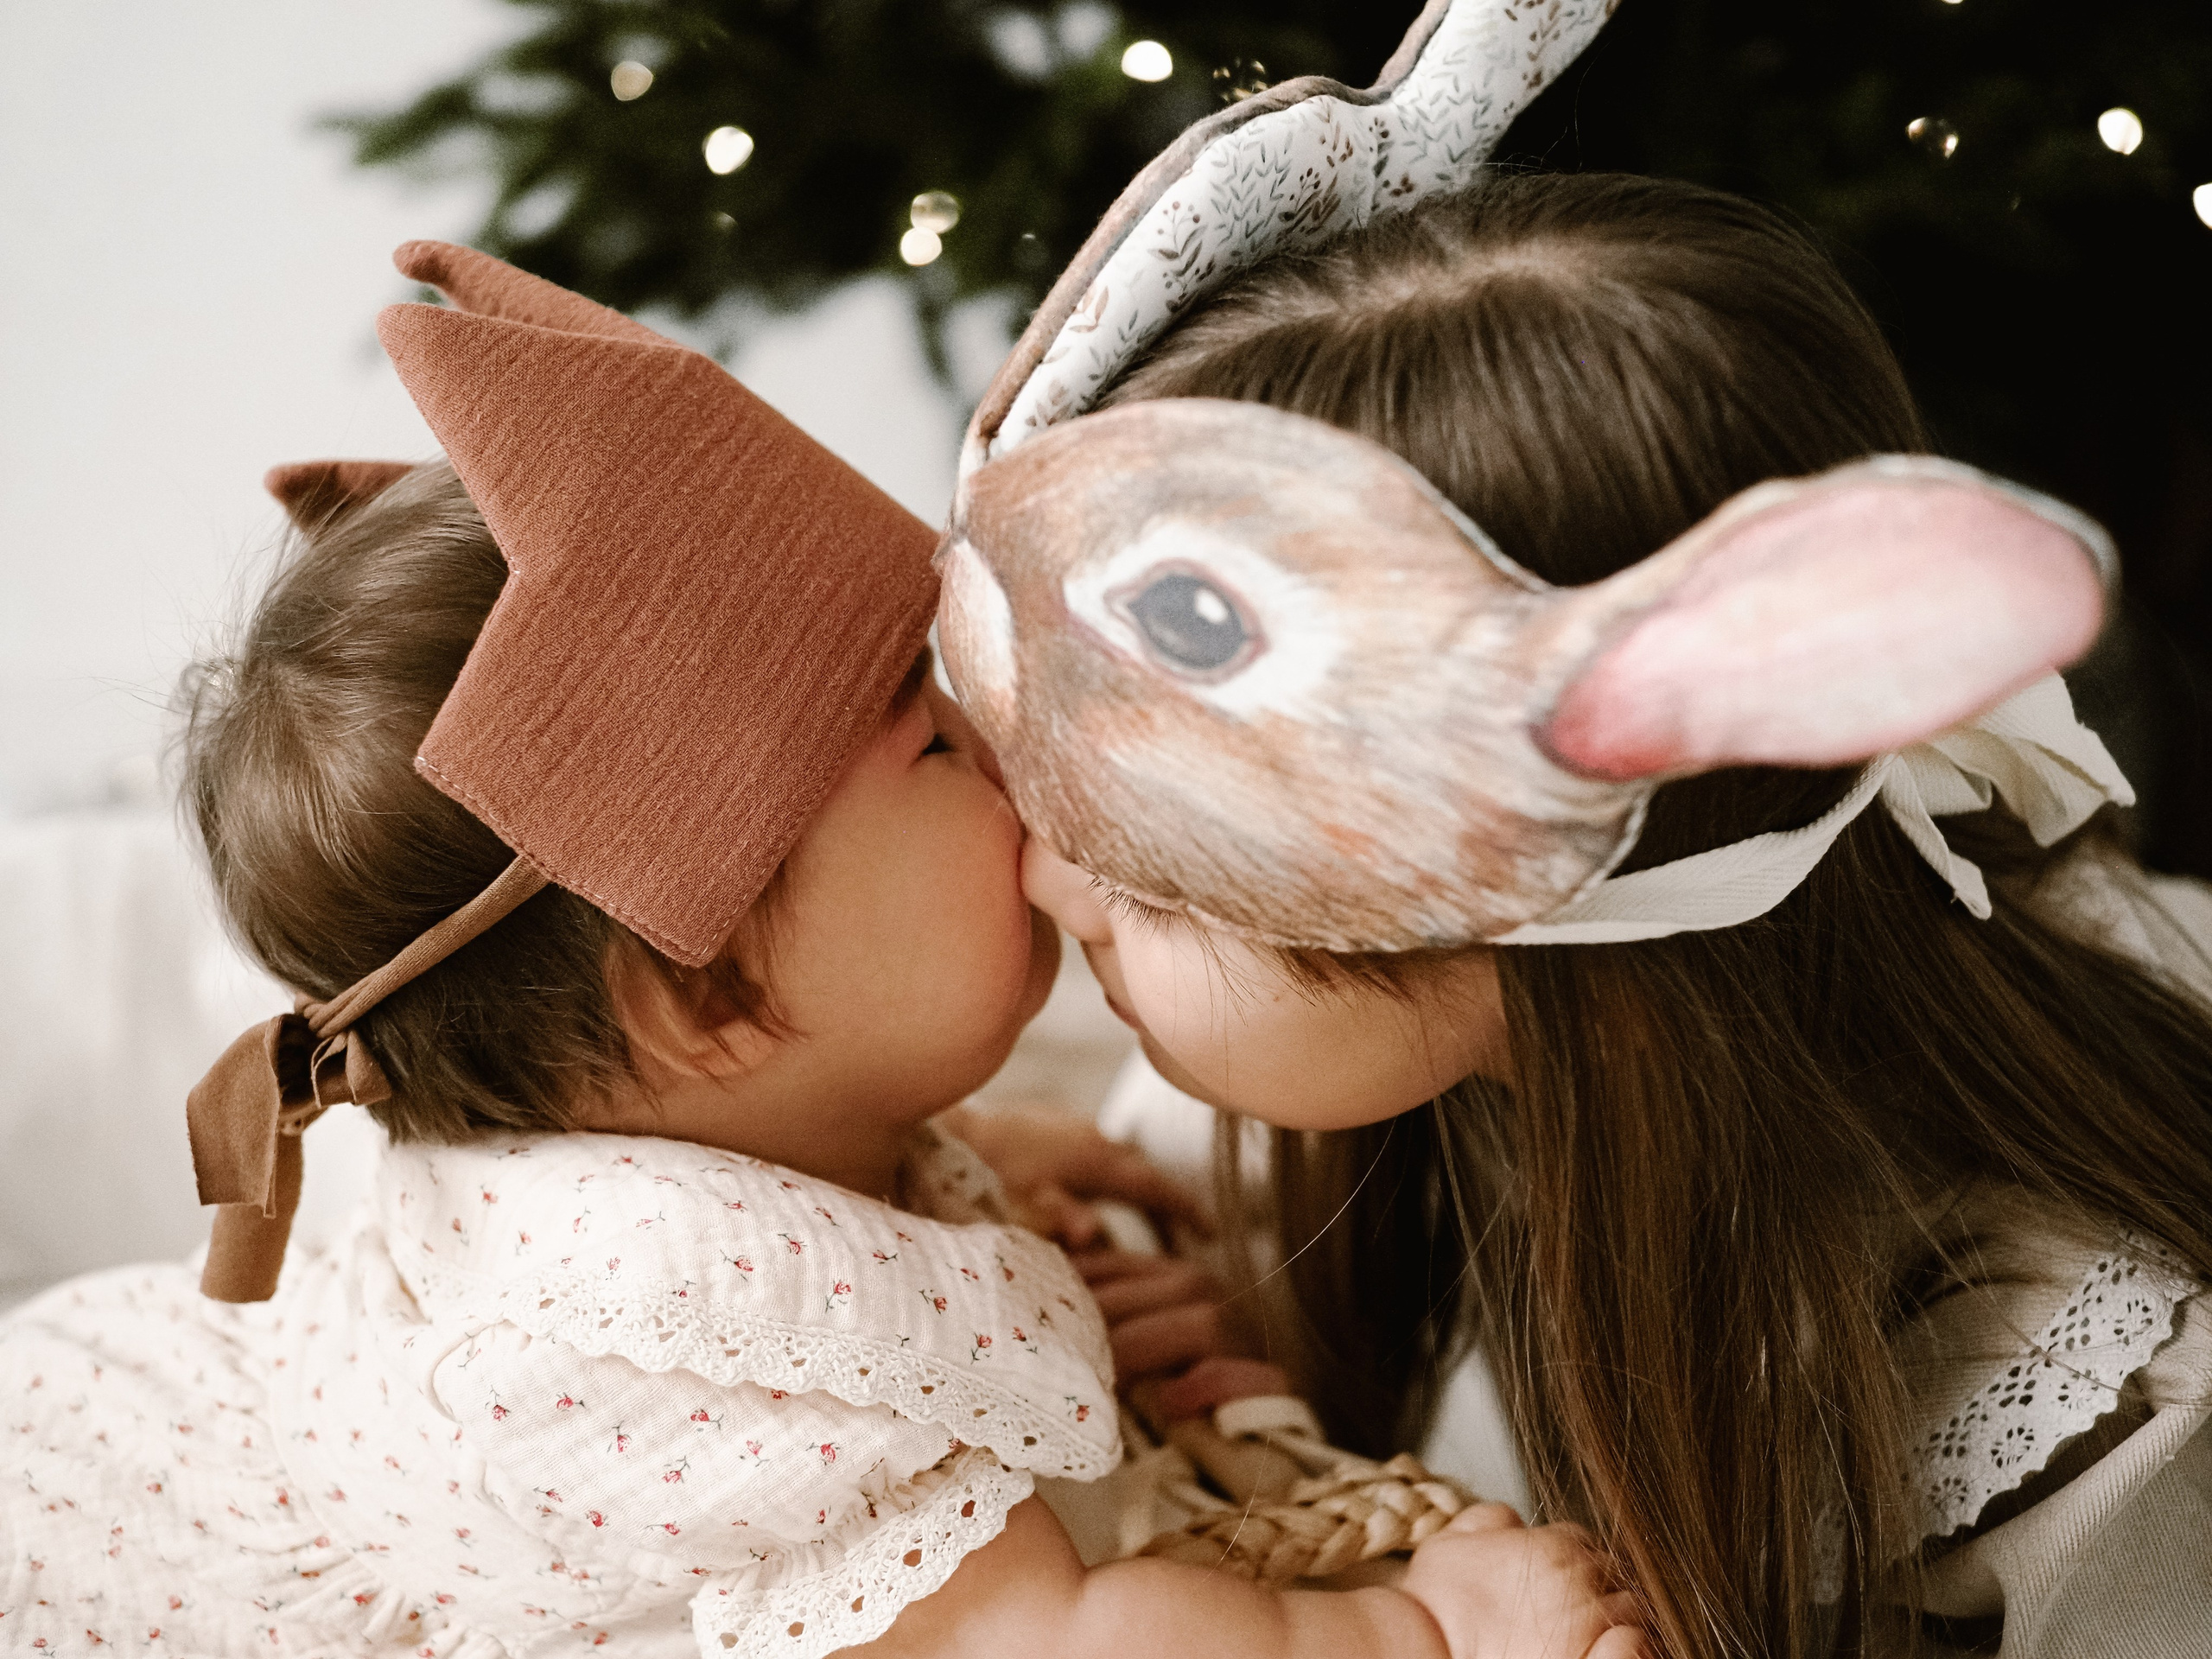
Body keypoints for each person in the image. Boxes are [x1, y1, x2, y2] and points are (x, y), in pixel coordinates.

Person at [0, 243, 1643, 1659]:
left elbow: (826, 1202)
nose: (1007, 739)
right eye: (929, 737)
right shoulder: (681, 1370)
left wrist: (1007, 1185)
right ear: (711, 993)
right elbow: (1065, 1638)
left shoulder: (719, 1137)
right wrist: (1423, 1618)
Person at [983, 170, 2212, 1659]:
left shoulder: (2107, 1415)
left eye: (1162, 873)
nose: (1052, 890)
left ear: (1535, 905)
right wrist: (1259, 1340)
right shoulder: (1356, 1071)